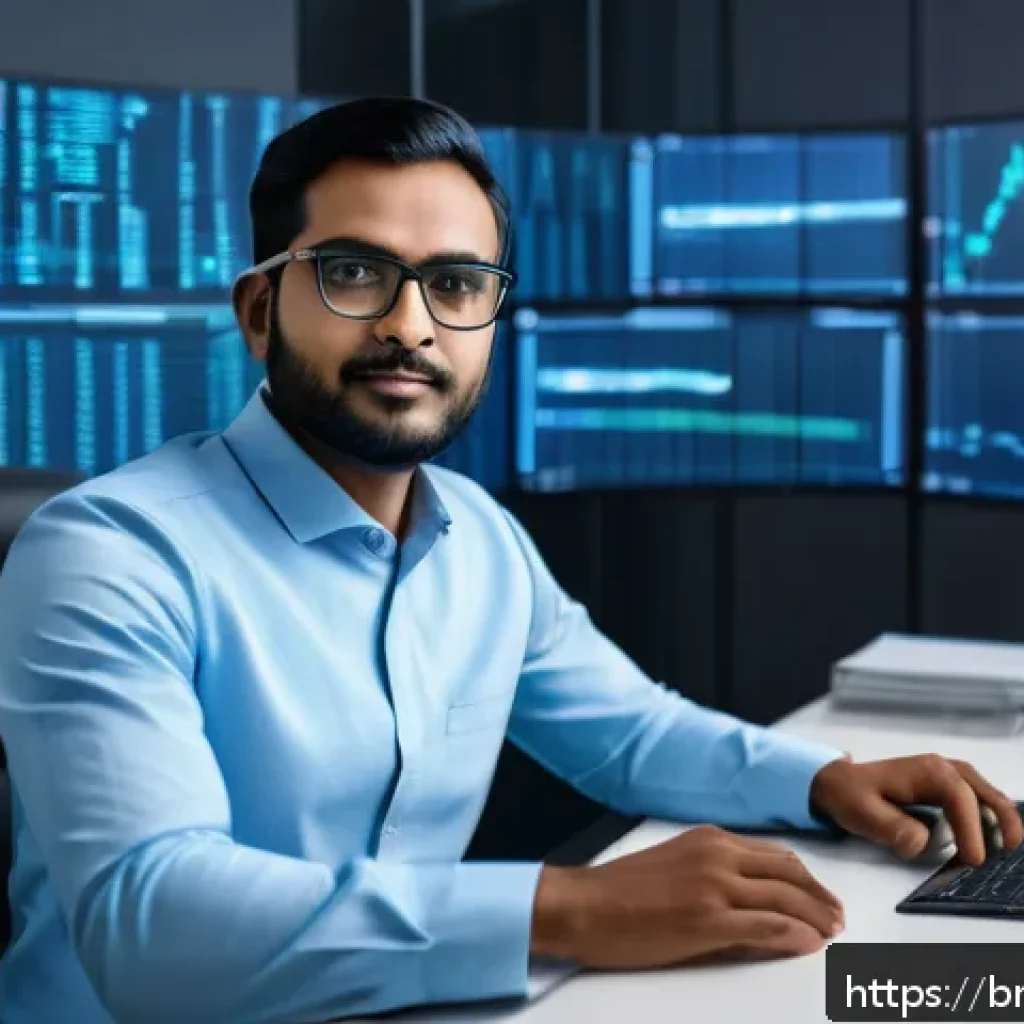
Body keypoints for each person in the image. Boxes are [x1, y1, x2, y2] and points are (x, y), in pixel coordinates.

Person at [0, 97, 1018, 1024]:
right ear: (260, 312)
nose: (410, 325)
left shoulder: (477, 539)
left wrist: (826, 781)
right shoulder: (110, 552)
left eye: (454, 284)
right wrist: (567, 904)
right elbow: (151, 927)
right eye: (354, 272)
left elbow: (628, 733)